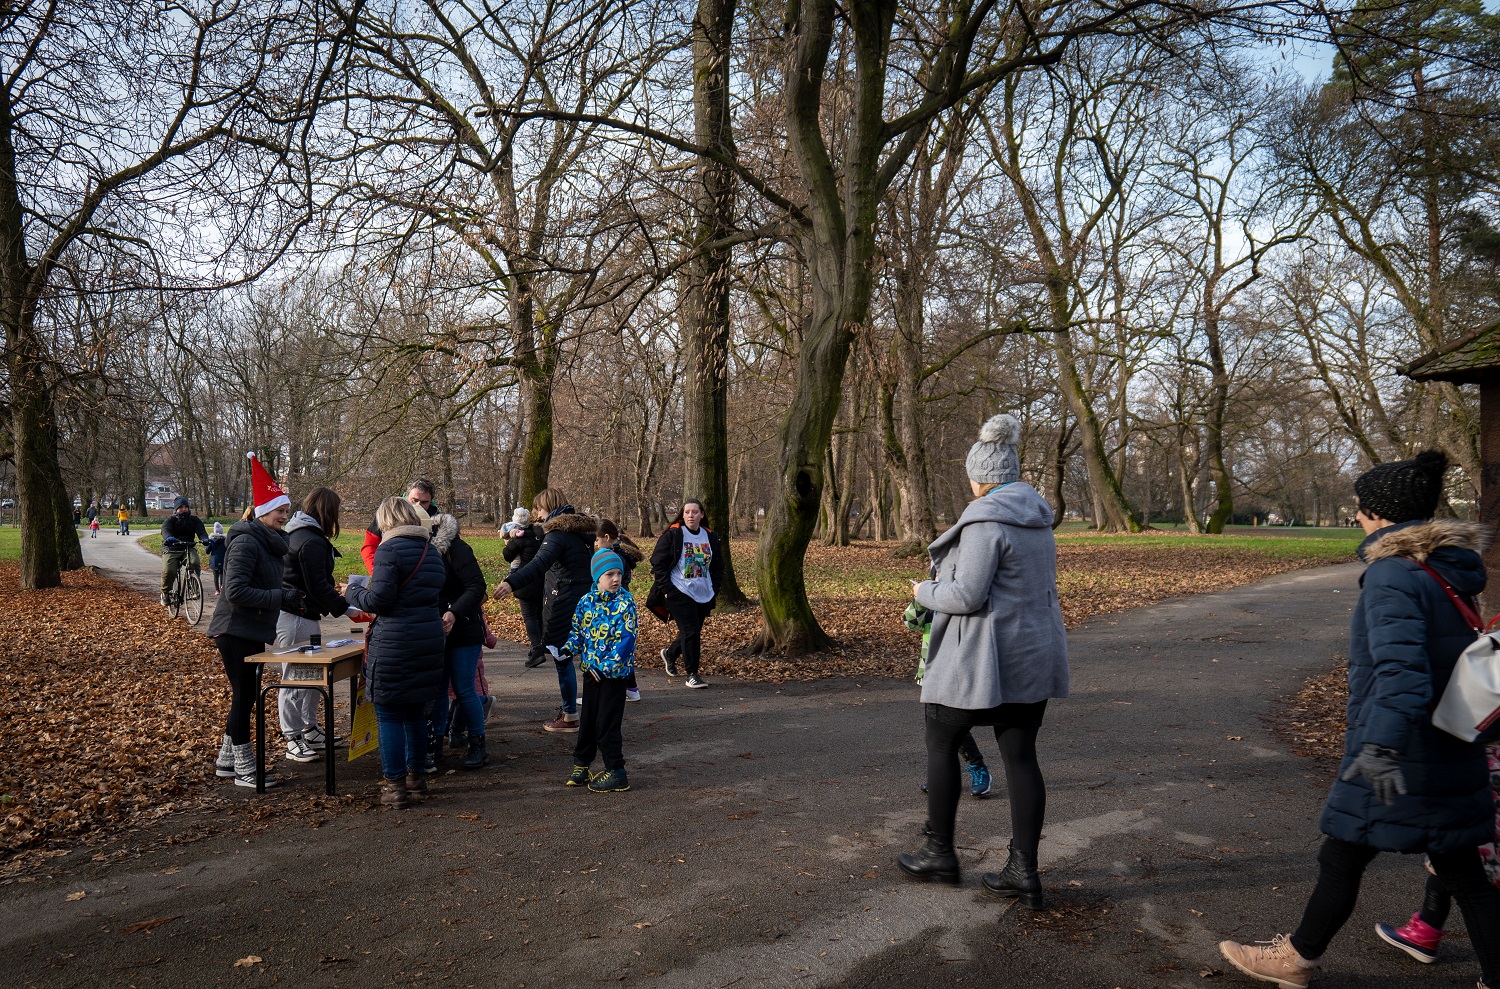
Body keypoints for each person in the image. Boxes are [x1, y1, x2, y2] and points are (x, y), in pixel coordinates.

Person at [1219, 450, 1500, 989]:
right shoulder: (1446, 567)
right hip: (1444, 746)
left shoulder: (1393, 573)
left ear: (1378, 514)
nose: (1355, 516)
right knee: (1461, 872)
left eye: (1360, 507)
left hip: (1401, 752)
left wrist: (1380, 749)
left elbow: (1401, 672)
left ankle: (1296, 959)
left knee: (1343, 855)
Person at [895, 413, 1068, 910]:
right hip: (1032, 656)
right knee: (1021, 758)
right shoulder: (1038, 520)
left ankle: (939, 854)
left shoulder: (984, 523)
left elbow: (966, 595)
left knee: (942, 741)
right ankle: (1023, 871)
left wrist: (923, 590)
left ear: (981, 478)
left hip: (980, 661)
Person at [207, 453, 302, 789]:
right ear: (263, 512)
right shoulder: (247, 542)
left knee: (245, 695)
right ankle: (245, 769)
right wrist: (280, 597)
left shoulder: (268, 542)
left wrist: (288, 593)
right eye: (280, 511)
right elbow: (234, 591)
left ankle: (226, 761)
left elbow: (263, 584)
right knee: (245, 696)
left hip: (251, 629)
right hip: (234, 629)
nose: (284, 516)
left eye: (286, 511)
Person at [344, 496, 446, 809]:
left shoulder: (389, 549)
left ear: (386, 521)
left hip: (395, 643)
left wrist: (352, 592)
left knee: (388, 714)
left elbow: (380, 600)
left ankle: (395, 785)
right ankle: (416, 778)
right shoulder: (431, 551)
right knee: (415, 712)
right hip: (428, 640)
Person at [1376, 739, 1500, 963]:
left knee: (1467, 872)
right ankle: (1426, 928)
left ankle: (1492, 969)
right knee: (1454, 867)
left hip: (1481, 779)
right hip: (1481, 775)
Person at [492, 488, 596, 733]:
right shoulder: (583, 533)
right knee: (590, 659)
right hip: (588, 601)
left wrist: (511, 582)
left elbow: (538, 565)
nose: (537, 515)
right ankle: (595, 713)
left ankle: (569, 715)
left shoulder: (557, 535)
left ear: (549, 507)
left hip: (565, 602)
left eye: (539, 509)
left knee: (563, 658)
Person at [276, 487, 351, 765]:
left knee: (311, 675)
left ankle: (309, 729)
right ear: (328, 511)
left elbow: (317, 581)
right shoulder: (311, 540)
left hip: (303, 615)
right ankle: (292, 737)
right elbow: (317, 586)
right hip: (296, 616)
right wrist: (346, 608)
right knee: (296, 678)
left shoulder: (302, 535)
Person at [562, 549, 637, 792]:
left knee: (607, 722)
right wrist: (568, 648)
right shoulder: (586, 601)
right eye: (609, 574)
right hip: (591, 672)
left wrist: (605, 667)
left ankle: (616, 771)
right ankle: (582, 764)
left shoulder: (625, 603)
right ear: (597, 577)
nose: (616, 579)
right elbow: (578, 631)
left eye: (619, 574)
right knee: (589, 720)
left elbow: (626, 640)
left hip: (613, 675)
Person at [904, 597, 993, 799]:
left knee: (955, 726)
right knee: (934, 731)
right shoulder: (930, 598)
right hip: (932, 675)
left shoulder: (960, 596)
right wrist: (921, 596)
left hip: (959, 674)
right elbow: (910, 623)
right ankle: (942, 774)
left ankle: (977, 767)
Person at [428, 512, 489, 770]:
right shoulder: (418, 547)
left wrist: (454, 612)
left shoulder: (458, 548)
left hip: (463, 628)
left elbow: (477, 586)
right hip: (433, 629)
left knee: (464, 688)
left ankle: (477, 744)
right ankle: (434, 745)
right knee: (437, 689)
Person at [649, 499, 723, 689]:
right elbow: (658, 564)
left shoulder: (710, 537)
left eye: (695, 512)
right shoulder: (673, 534)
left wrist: (714, 588)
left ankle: (670, 654)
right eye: (687, 512)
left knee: (692, 631)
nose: (691, 515)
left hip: (704, 593)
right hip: (679, 590)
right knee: (690, 631)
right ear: (682, 515)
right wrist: (668, 590)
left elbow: (718, 566)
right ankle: (692, 675)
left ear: (702, 515)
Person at [596, 519, 644, 701]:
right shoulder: (621, 554)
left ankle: (610, 691)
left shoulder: (612, 557)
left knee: (612, 648)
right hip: (619, 605)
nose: (595, 543)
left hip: (613, 607)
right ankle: (631, 688)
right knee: (621, 648)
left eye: (597, 539)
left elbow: (610, 585)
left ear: (607, 537)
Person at [501, 506, 546, 668]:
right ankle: (539, 644)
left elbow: (507, 555)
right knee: (539, 614)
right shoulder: (541, 535)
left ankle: (536, 649)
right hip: (543, 580)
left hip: (525, 581)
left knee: (529, 616)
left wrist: (509, 541)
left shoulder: (520, 537)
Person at [361, 478, 437, 573]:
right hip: (389, 570)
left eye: (424, 502)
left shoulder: (437, 521)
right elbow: (370, 546)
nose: (418, 505)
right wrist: (376, 572)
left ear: (430, 501)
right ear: (406, 496)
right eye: (414, 500)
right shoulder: (388, 514)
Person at [160, 496, 210, 606]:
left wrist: (204, 539)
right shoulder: (170, 520)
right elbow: (165, 530)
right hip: (171, 548)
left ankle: (193, 590)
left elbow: (201, 531)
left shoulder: (194, 520)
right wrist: (168, 537)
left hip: (188, 547)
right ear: (176, 509)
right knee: (169, 571)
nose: (184, 509)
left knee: (194, 563)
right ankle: (165, 593)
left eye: (186, 507)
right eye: (181, 507)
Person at [206, 522, 227, 593]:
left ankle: (217, 590)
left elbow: (207, 551)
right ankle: (222, 585)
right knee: (222, 573)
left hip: (214, 560)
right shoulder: (225, 541)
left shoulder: (212, 541)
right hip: (223, 559)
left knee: (215, 575)